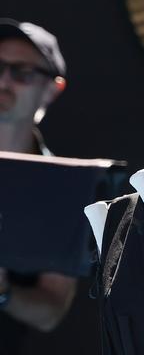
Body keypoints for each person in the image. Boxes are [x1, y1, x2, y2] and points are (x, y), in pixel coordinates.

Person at [0, 18, 76, 354]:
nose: (3, 81)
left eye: (22, 73)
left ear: (51, 89)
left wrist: (2, 292)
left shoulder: (61, 190)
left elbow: (50, 312)